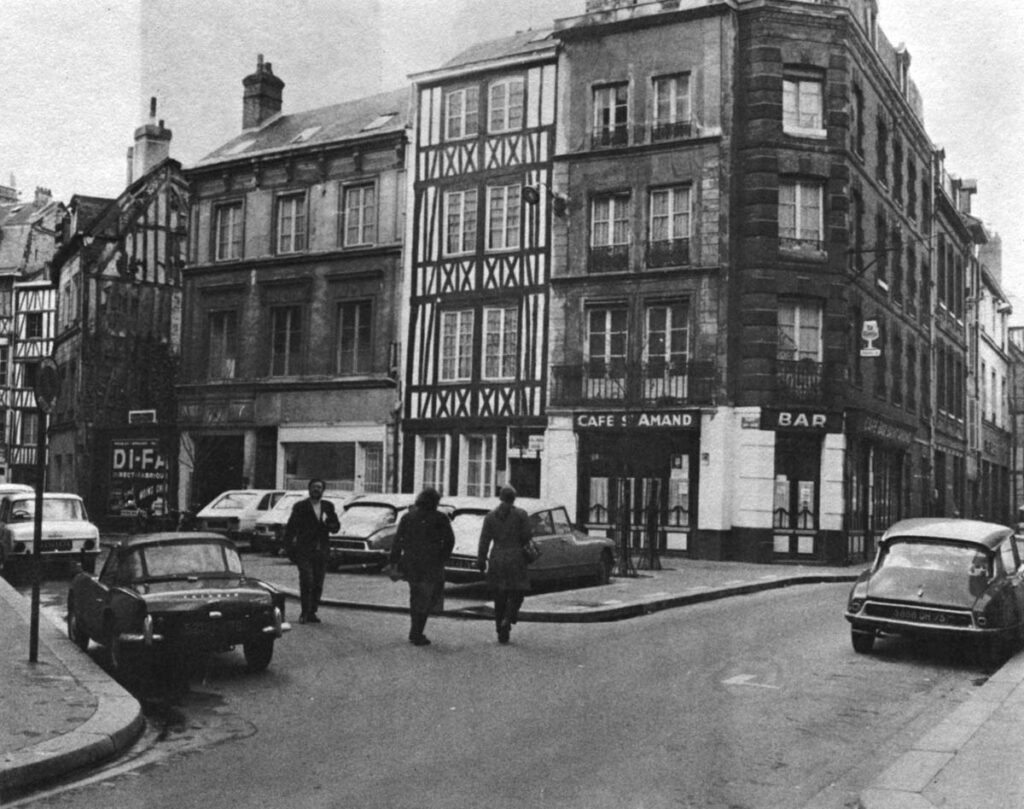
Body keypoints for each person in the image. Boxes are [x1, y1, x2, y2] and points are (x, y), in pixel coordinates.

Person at [388, 487, 454, 646]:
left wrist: (394, 563)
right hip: (431, 564)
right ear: (435, 501)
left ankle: (415, 630)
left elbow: (397, 542)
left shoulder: (408, 517)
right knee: (426, 598)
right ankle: (417, 632)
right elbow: (450, 540)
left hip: (411, 563)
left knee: (415, 596)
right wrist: (442, 557)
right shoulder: (440, 518)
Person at [477, 486, 533, 644]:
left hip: (497, 558)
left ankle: (501, 630)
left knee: (499, 596)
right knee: (518, 592)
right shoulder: (521, 515)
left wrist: (481, 560)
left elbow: (484, 540)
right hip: (516, 558)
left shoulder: (490, 516)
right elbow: (526, 536)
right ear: (513, 498)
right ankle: (508, 618)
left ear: (500, 498)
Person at [283, 478, 340, 624]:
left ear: (323, 490)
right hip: (304, 550)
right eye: (314, 487)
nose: (316, 490)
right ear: (309, 489)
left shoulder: (328, 506)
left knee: (318, 583)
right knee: (307, 580)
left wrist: (330, 523)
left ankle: (313, 612)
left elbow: (335, 527)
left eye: (319, 487)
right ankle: (304, 612)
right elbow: (291, 528)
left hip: (321, 550)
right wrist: (289, 548)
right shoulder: (300, 506)